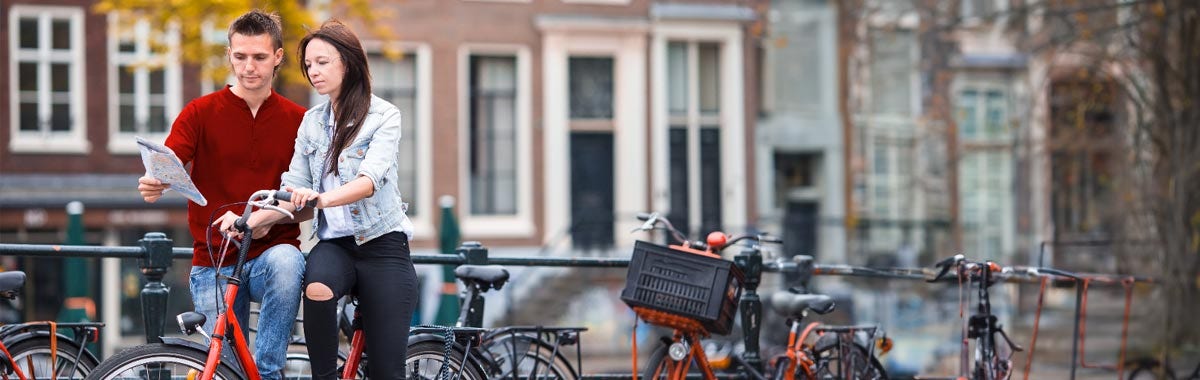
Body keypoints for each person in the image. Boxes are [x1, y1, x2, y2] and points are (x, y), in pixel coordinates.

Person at [135, 10, 305, 380]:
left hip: (269, 256)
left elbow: (308, 203)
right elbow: (170, 160)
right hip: (213, 258)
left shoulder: (300, 120)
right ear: (229, 54)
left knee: (289, 262)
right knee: (226, 371)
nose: (248, 67)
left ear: (277, 57)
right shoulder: (199, 112)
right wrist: (156, 180)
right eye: (240, 56)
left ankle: (270, 372)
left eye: (259, 57)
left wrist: (270, 219)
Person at [283, 19, 417, 380]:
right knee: (317, 286)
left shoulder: (384, 115)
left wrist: (320, 199)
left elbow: (368, 181)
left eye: (322, 62)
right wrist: (249, 218)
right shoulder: (311, 122)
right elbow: (293, 188)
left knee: (387, 371)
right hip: (336, 246)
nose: (314, 71)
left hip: (383, 246)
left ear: (348, 62)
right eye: (309, 65)